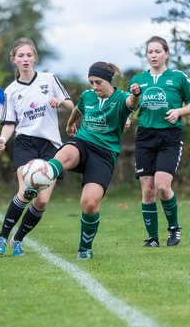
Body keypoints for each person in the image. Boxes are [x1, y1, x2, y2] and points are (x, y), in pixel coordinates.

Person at [14, 61, 141, 259]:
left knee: (89, 203)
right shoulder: (88, 96)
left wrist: (135, 94)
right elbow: (78, 109)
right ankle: (35, 183)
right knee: (63, 154)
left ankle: (85, 248)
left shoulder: (121, 98)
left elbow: (131, 104)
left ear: (109, 80)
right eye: (91, 82)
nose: (94, 87)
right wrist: (71, 124)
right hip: (82, 142)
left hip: (104, 153)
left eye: (98, 82)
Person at [0, 37, 74, 256]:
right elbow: (10, 123)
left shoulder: (49, 78)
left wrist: (60, 102)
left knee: (42, 201)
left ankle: (18, 239)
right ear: (14, 60)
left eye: (29, 55)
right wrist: (2, 139)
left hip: (51, 146)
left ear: (35, 58)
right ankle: (2, 236)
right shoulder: (10, 91)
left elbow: (71, 104)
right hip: (25, 143)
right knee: (26, 191)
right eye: (21, 55)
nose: (25, 59)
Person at [127, 35, 190, 247]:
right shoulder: (138, 80)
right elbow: (131, 106)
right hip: (145, 136)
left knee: (162, 186)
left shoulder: (179, 77)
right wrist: (128, 114)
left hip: (169, 137)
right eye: (150, 52)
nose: (153, 55)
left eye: (158, 51)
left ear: (167, 54)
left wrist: (179, 111)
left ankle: (174, 228)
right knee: (147, 190)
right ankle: (152, 239)